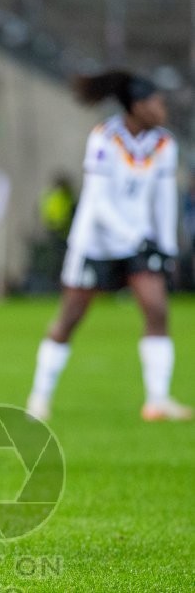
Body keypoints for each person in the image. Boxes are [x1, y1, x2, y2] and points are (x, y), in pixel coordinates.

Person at [25, 71, 191, 422]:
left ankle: (157, 400)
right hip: (97, 244)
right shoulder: (105, 137)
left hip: (139, 244)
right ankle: (39, 398)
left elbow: (163, 199)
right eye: (156, 103)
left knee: (157, 310)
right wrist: (135, 238)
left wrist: (166, 247)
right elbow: (97, 203)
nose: (162, 109)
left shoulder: (164, 143)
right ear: (137, 106)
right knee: (70, 318)